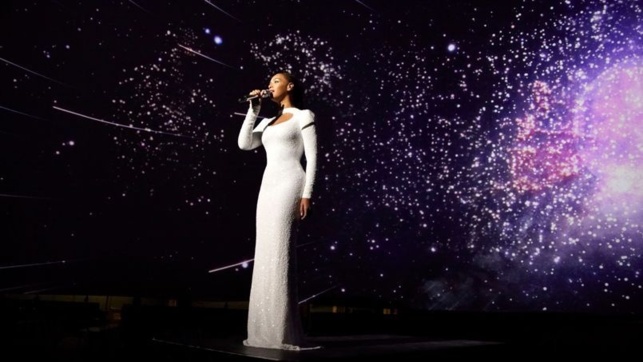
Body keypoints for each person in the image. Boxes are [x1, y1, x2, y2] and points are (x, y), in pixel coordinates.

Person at [237, 71, 320, 350]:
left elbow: (313, 157)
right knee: (265, 253)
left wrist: (307, 193)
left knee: (280, 251)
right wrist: (254, 109)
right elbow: (245, 144)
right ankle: (263, 331)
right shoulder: (268, 121)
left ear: (289, 86)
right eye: (269, 81)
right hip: (267, 188)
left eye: (275, 81)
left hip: (290, 185)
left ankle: (282, 332)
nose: (270, 84)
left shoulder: (303, 115)